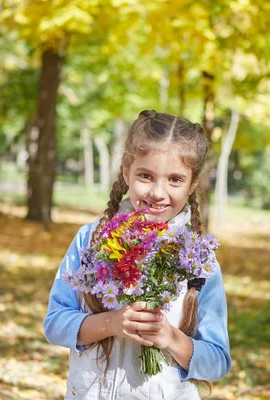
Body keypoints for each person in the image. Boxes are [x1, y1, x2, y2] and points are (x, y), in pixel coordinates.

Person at [44, 110, 231, 399]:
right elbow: (55, 324)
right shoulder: (91, 238)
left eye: (175, 180)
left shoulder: (198, 259)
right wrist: (111, 323)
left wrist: (170, 337)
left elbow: (217, 361)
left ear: (193, 183)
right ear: (126, 171)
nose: (158, 192)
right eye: (146, 175)